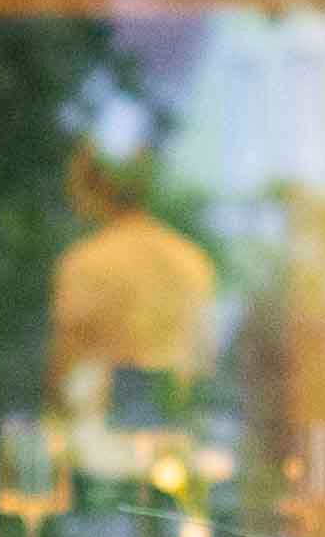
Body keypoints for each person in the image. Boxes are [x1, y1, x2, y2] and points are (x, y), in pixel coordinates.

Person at [44, 150, 217, 427]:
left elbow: (67, 358)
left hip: (98, 429)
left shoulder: (84, 263)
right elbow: (203, 358)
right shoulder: (190, 259)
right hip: (172, 428)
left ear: (94, 186)